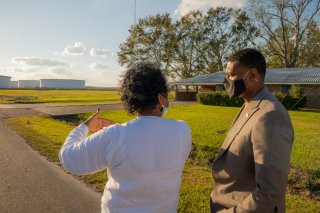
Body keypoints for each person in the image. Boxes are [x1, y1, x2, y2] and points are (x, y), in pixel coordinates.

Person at [59, 63, 191, 213]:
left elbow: (68, 158)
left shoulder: (115, 136)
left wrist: (85, 127)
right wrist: (123, 133)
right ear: (160, 97)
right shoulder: (182, 130)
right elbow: (151, 145)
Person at [210, 48, 294, 213]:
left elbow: (268, 193)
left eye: (231, 75)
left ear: (253, 75)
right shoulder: (251, 103)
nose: (227, 80)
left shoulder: (271, 115)